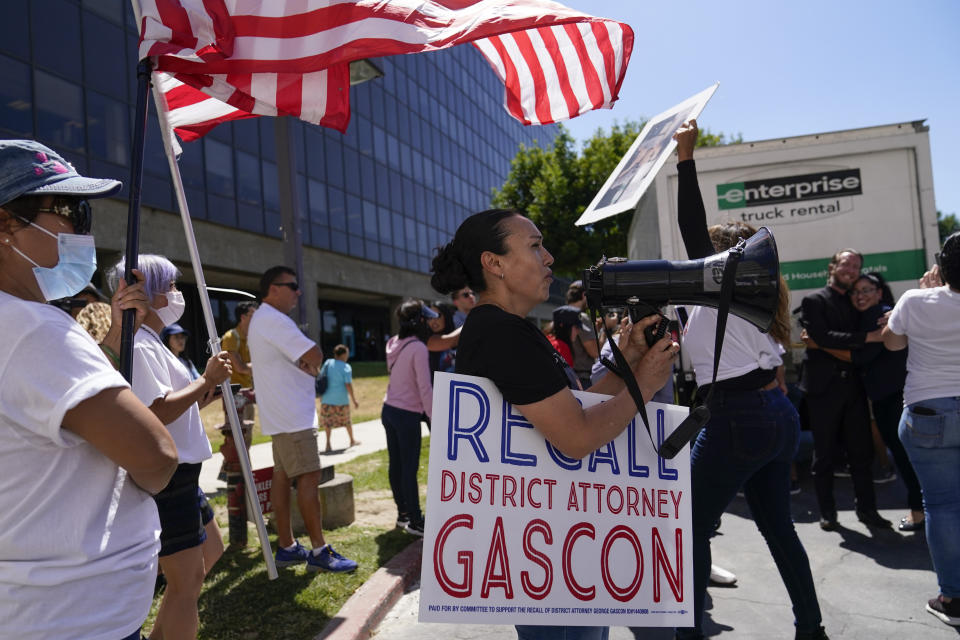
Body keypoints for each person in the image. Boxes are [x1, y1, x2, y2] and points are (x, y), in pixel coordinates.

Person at [431, 208, 677, 640]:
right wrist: (645, 384)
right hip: (548, 548)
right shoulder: (501, 334)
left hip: (552, 540)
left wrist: (628, 362)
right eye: (535, 245)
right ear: (495, 263)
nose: (549, 257)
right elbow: (577, 437)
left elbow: (573, 409)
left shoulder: (507, 329)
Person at [0, 139, 178, 640]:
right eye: (70, 210)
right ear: (3, 224)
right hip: (78, 618)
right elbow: (157, 454)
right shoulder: (35, 329)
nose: (83, 230)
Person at [672, 120, 828, 640]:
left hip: (739, 416)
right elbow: (776, 371)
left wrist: (686, 159)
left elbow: (692, 230)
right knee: (778, 528)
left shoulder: (722, 287)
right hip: (773, 413)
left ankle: (687, 633)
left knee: (689, 528)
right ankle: (812, 629)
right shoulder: (759, 300)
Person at [109, 254, 231, 640]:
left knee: (210, 555)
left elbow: (172, 402)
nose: (177, 294)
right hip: (171, 476)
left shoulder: (153, 344)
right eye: (171, 286)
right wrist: (205, 379)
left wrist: (204, 393)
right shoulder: (142, 346)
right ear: (151, 293)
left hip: (185, 473)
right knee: (187, 581)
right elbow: (155, 410)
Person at [247, 266, 357, 572]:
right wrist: (308, 365)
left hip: (282, 417)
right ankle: (320, 552)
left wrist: (304, 365)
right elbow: (315, 354)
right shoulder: (274, 319)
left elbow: (301, 359)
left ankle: (287, 546)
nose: (298, 292)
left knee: (283, 480)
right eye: (292, 286)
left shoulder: (262, 319)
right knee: (309, 478)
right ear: (273, 289)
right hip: (293, 417)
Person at [803, 272, 923, 530]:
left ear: (879, 293)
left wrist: (819, 344)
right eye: (857, 291)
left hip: (894, 398)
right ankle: (918, 509)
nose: (861, 295)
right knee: (902, 456)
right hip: (883, 397)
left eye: (867, 290)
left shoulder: (881, 315)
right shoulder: (868, 315)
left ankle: (918, 512)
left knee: (904, 457)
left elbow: (859, 358)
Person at [882, 232, 960, 627]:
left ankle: (953, 598)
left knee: (944, 507)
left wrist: (927, 295)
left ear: (942, 266)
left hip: (928, 412)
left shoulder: (915, 300)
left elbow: (892, 343)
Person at [799, 245, 890, 530]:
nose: (850, 271)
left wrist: (832, 342)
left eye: (855, 267)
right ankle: (828, 513)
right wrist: (866, 337)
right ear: (832, 267)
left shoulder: (856, 302)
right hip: (822, 390)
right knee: (824, 456)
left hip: (854, 388)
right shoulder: (813, 300)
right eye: (845, 265)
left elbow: (826, 340)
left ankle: (868, 511)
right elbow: (822, 336)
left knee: (861, 454)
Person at [381, 300, 436, 536]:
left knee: (396, 465)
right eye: (426, 318)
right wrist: (436, 419)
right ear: (419, 321)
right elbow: (425, 388)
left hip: (389, 409)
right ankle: (415, 520)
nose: (429, 322)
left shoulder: (393, 342)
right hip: (408, 414)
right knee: (409, 468)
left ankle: (403, 514)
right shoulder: (418, 349)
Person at [556, 280, 600, 389]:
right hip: (582, 378)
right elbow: (595, 352)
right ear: (583, 295)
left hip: (566, 374)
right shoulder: (581, 317)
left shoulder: (559, 314)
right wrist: (605, 330)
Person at [221, 301, 257, 423]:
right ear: (243, 317)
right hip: (235, 395)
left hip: (248, 392)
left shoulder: (251, 338)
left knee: (247, 434)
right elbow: (240, 367)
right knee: (236, 435)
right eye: (253, 315)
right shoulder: (231, 337)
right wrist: (263, 368)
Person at [319, 344, 360, 451]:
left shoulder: (328, 363)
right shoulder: (346, 367)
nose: (347, 356)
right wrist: (354, 399)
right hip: (341, 399)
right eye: (346, 354)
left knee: (328, 423)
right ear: (342, 355)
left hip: (327, 398)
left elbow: (321, 377)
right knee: (346, 421)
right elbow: (348, 384)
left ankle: (328, 444)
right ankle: (352, 440)